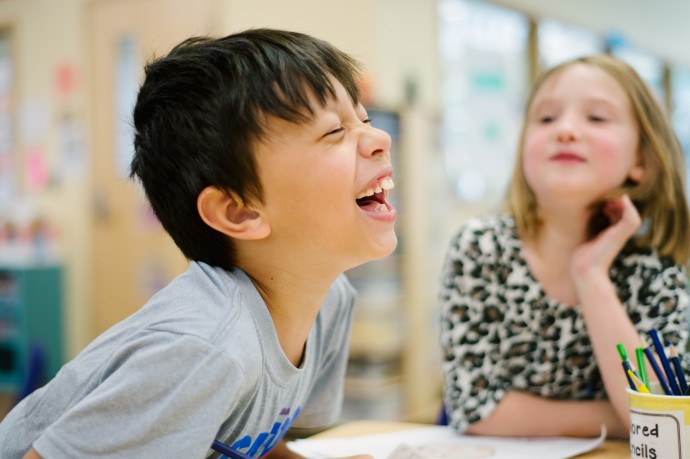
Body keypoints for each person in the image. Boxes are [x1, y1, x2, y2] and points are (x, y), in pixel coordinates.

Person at [0, 28, 397, 458]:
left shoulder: (328, 301)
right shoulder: (202, 346)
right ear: (240, 211)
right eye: (334, 131)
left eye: (364, 120)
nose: (379, 139)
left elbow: (246, 443)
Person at [439, 55, 690, 439]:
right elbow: (477, 411)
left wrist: (591, 275)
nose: (567, 130)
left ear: (641, 160)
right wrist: (618, 419)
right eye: (546, 118)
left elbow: (665, 421)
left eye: (597, 118)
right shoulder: (481, 249)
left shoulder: (658, 268)